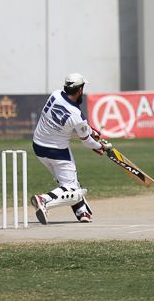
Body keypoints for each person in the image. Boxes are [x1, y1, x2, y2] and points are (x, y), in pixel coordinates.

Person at [29, 73, 112, 224]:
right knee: (71, 188)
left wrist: (90, 131)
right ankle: (43, 199)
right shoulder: (77, 115)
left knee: (68, 181)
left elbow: (69, 125)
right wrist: (102, 146)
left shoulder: (54, 95)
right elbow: (87, 142)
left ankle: (82, 212)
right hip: (58, 153)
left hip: (38, 147)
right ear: (80, 89)